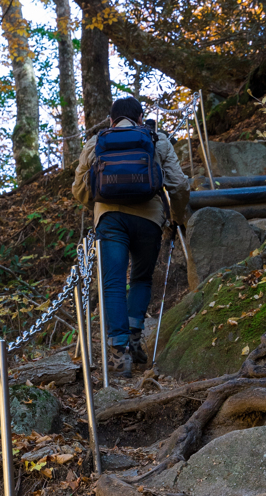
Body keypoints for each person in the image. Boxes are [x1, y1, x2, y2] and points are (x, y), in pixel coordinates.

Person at [72, 96, 190, 377]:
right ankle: (136, 336)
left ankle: (117, 353)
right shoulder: (155, 138)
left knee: (112, 283)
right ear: (140, 118)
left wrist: (100, 206)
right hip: (149, 219)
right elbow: (179, 183)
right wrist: (178, 218)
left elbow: (79, 187)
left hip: (110, 220)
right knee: (140, 278)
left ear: (111, 120)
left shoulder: (98, 141)